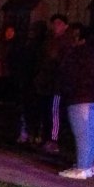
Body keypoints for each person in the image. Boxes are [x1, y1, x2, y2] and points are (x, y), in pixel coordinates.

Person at [57, 26, 94, 178]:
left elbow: (67, 74)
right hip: (90, 97)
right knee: (92, 134)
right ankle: (88, 166)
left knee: (84, 134)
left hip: (80, 98)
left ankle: (82, 168)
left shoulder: (77, 53)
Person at [31, 14, 70, 154]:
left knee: (55, 113)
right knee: (46, 111)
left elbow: (62, 64)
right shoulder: (48, 42)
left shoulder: (66, 42)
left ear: (65, 26)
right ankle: (45, 137)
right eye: (54, 23)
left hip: (57, 84)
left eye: (59, 23)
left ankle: (54, 140)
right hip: (46, 83)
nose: (56, 26)